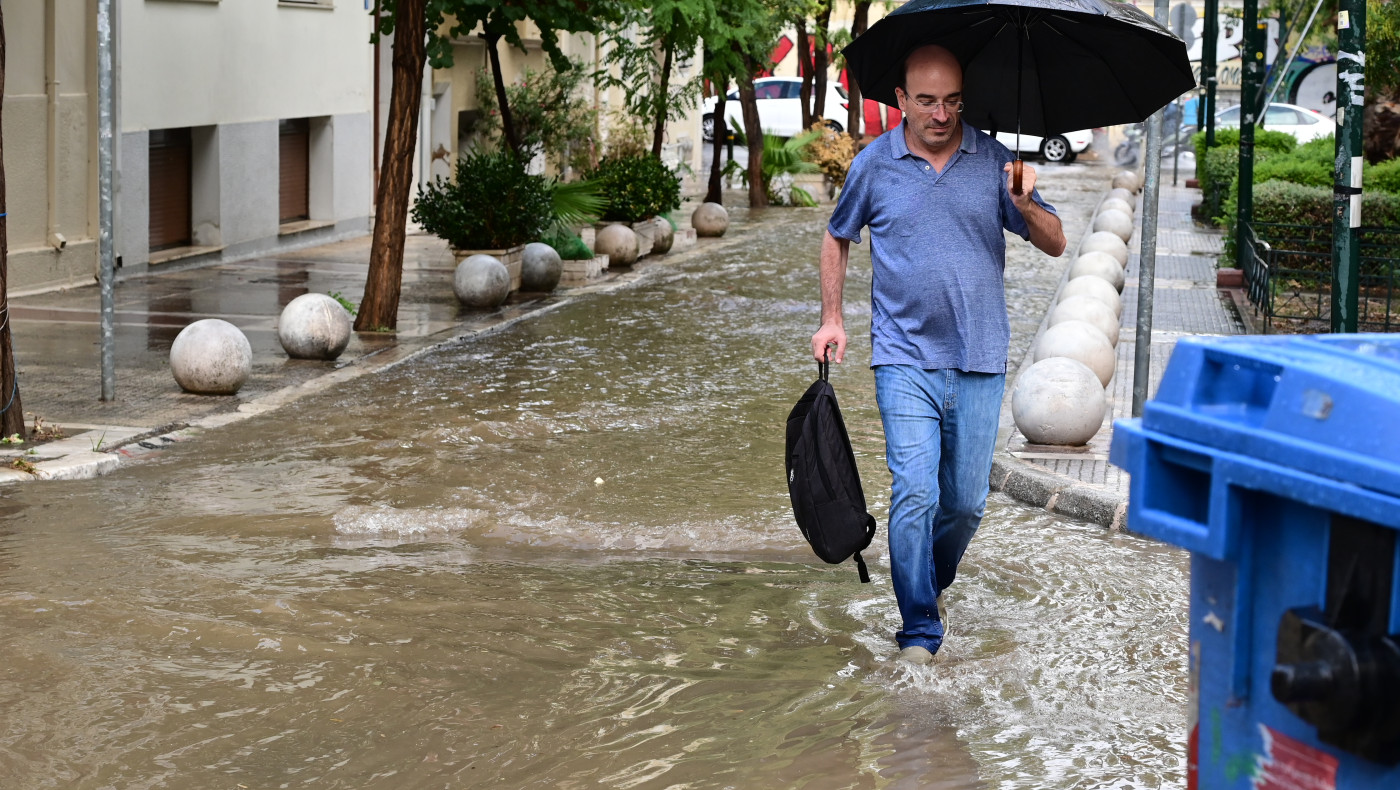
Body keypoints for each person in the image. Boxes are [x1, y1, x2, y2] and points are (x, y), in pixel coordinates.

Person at [810, 44, 1066, 666]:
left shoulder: (995, 163)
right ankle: (920, 628)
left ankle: (927, 578)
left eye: (952, 100)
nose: (941, 113)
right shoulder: (875, 165)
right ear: (900, 100)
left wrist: (1026, 201)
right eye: (926, 100)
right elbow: (836, 237)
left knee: (965, 502)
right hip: (902, 357)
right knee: (915, 493)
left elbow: (1057, 244)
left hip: (980, 356)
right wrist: (832, 319)